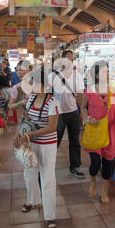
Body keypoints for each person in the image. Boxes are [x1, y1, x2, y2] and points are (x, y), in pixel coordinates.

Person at [18, 67, 60, 228]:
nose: (31, 86)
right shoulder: (31, 99)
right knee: (29, 173)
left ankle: (50, 215)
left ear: (43, 85)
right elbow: (27, 118)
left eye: (33, 83)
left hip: (47, 144)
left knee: (47, 178)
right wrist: (22, 133)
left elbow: (52, 127)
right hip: (31, 142)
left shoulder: (53, 102)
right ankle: (33, 201)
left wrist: (31, 134)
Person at [80, 60, 115, 203]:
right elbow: (82, 108)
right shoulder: (88, 91)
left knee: (107, 162)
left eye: (107, 71)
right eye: (103, 72)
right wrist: (88, 118)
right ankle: (93, 180)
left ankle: (104, 191)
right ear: (96, 74)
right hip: (94, 130)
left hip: (110, 131)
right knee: (95, 162)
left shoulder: (114, 91)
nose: (107, 74)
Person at [50, 50, 85, 179]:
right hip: (57, 114)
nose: (71, 61)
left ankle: (75, 166)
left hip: (73, 112)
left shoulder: (77, 76)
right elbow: (47, 93)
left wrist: (80, 110)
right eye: (68, 59)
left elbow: (80, 94)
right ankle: (48, 166)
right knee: (55, 140)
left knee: (75, 140)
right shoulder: (53, 76)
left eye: (72, 59)